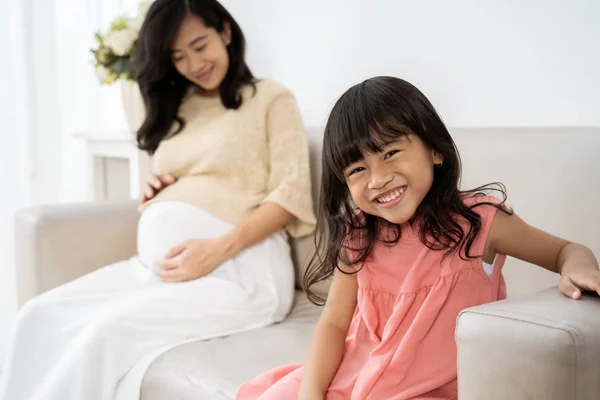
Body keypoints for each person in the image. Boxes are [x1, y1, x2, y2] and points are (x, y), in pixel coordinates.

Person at [0, 0, 316, 399]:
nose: (193, 64)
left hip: (240, 271)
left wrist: (216, 250)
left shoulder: (271, 98)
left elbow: (291, 194)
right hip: (159, 271)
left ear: (225, 31)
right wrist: (157, 191)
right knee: (37, 315)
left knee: (103, 333)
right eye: (178, 57)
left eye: (199, 46)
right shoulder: (181, 107)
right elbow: (193, 175)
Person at [236, 76, 600, 400]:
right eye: (358, 169)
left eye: (391, 153)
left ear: (435, 150)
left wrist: (578, 267)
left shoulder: (479, 222)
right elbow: (334, 323)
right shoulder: (359, 234)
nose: (377, 178)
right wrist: (311, 392)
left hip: (428, 390)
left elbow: (565, 251)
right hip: (356, 376)